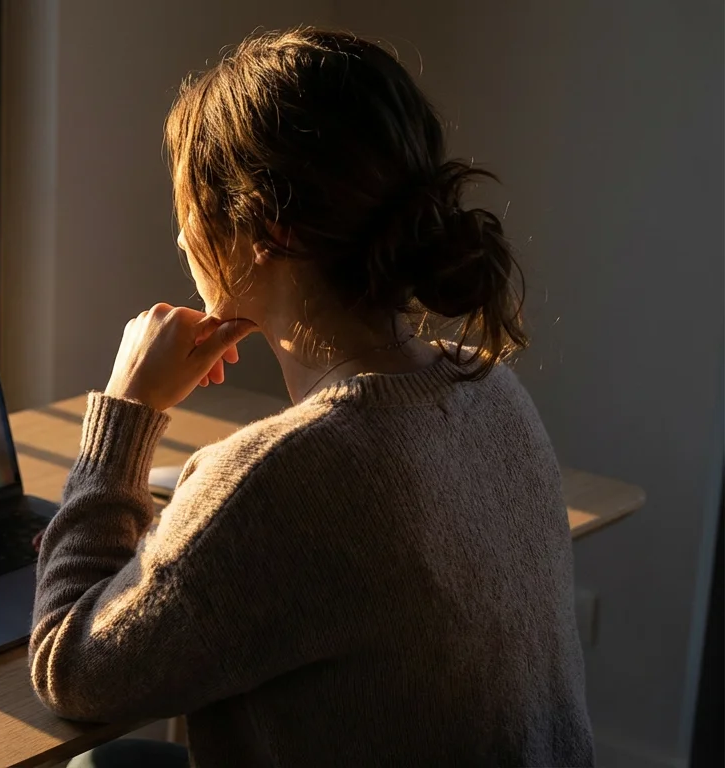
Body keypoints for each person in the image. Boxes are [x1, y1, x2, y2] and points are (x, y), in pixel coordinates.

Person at [31, 27, 593, 767]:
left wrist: (126, 414)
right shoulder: (490, 388)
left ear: (267, 229)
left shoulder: (278, 480)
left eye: (191, 206)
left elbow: (68, 671)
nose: (180, 237)